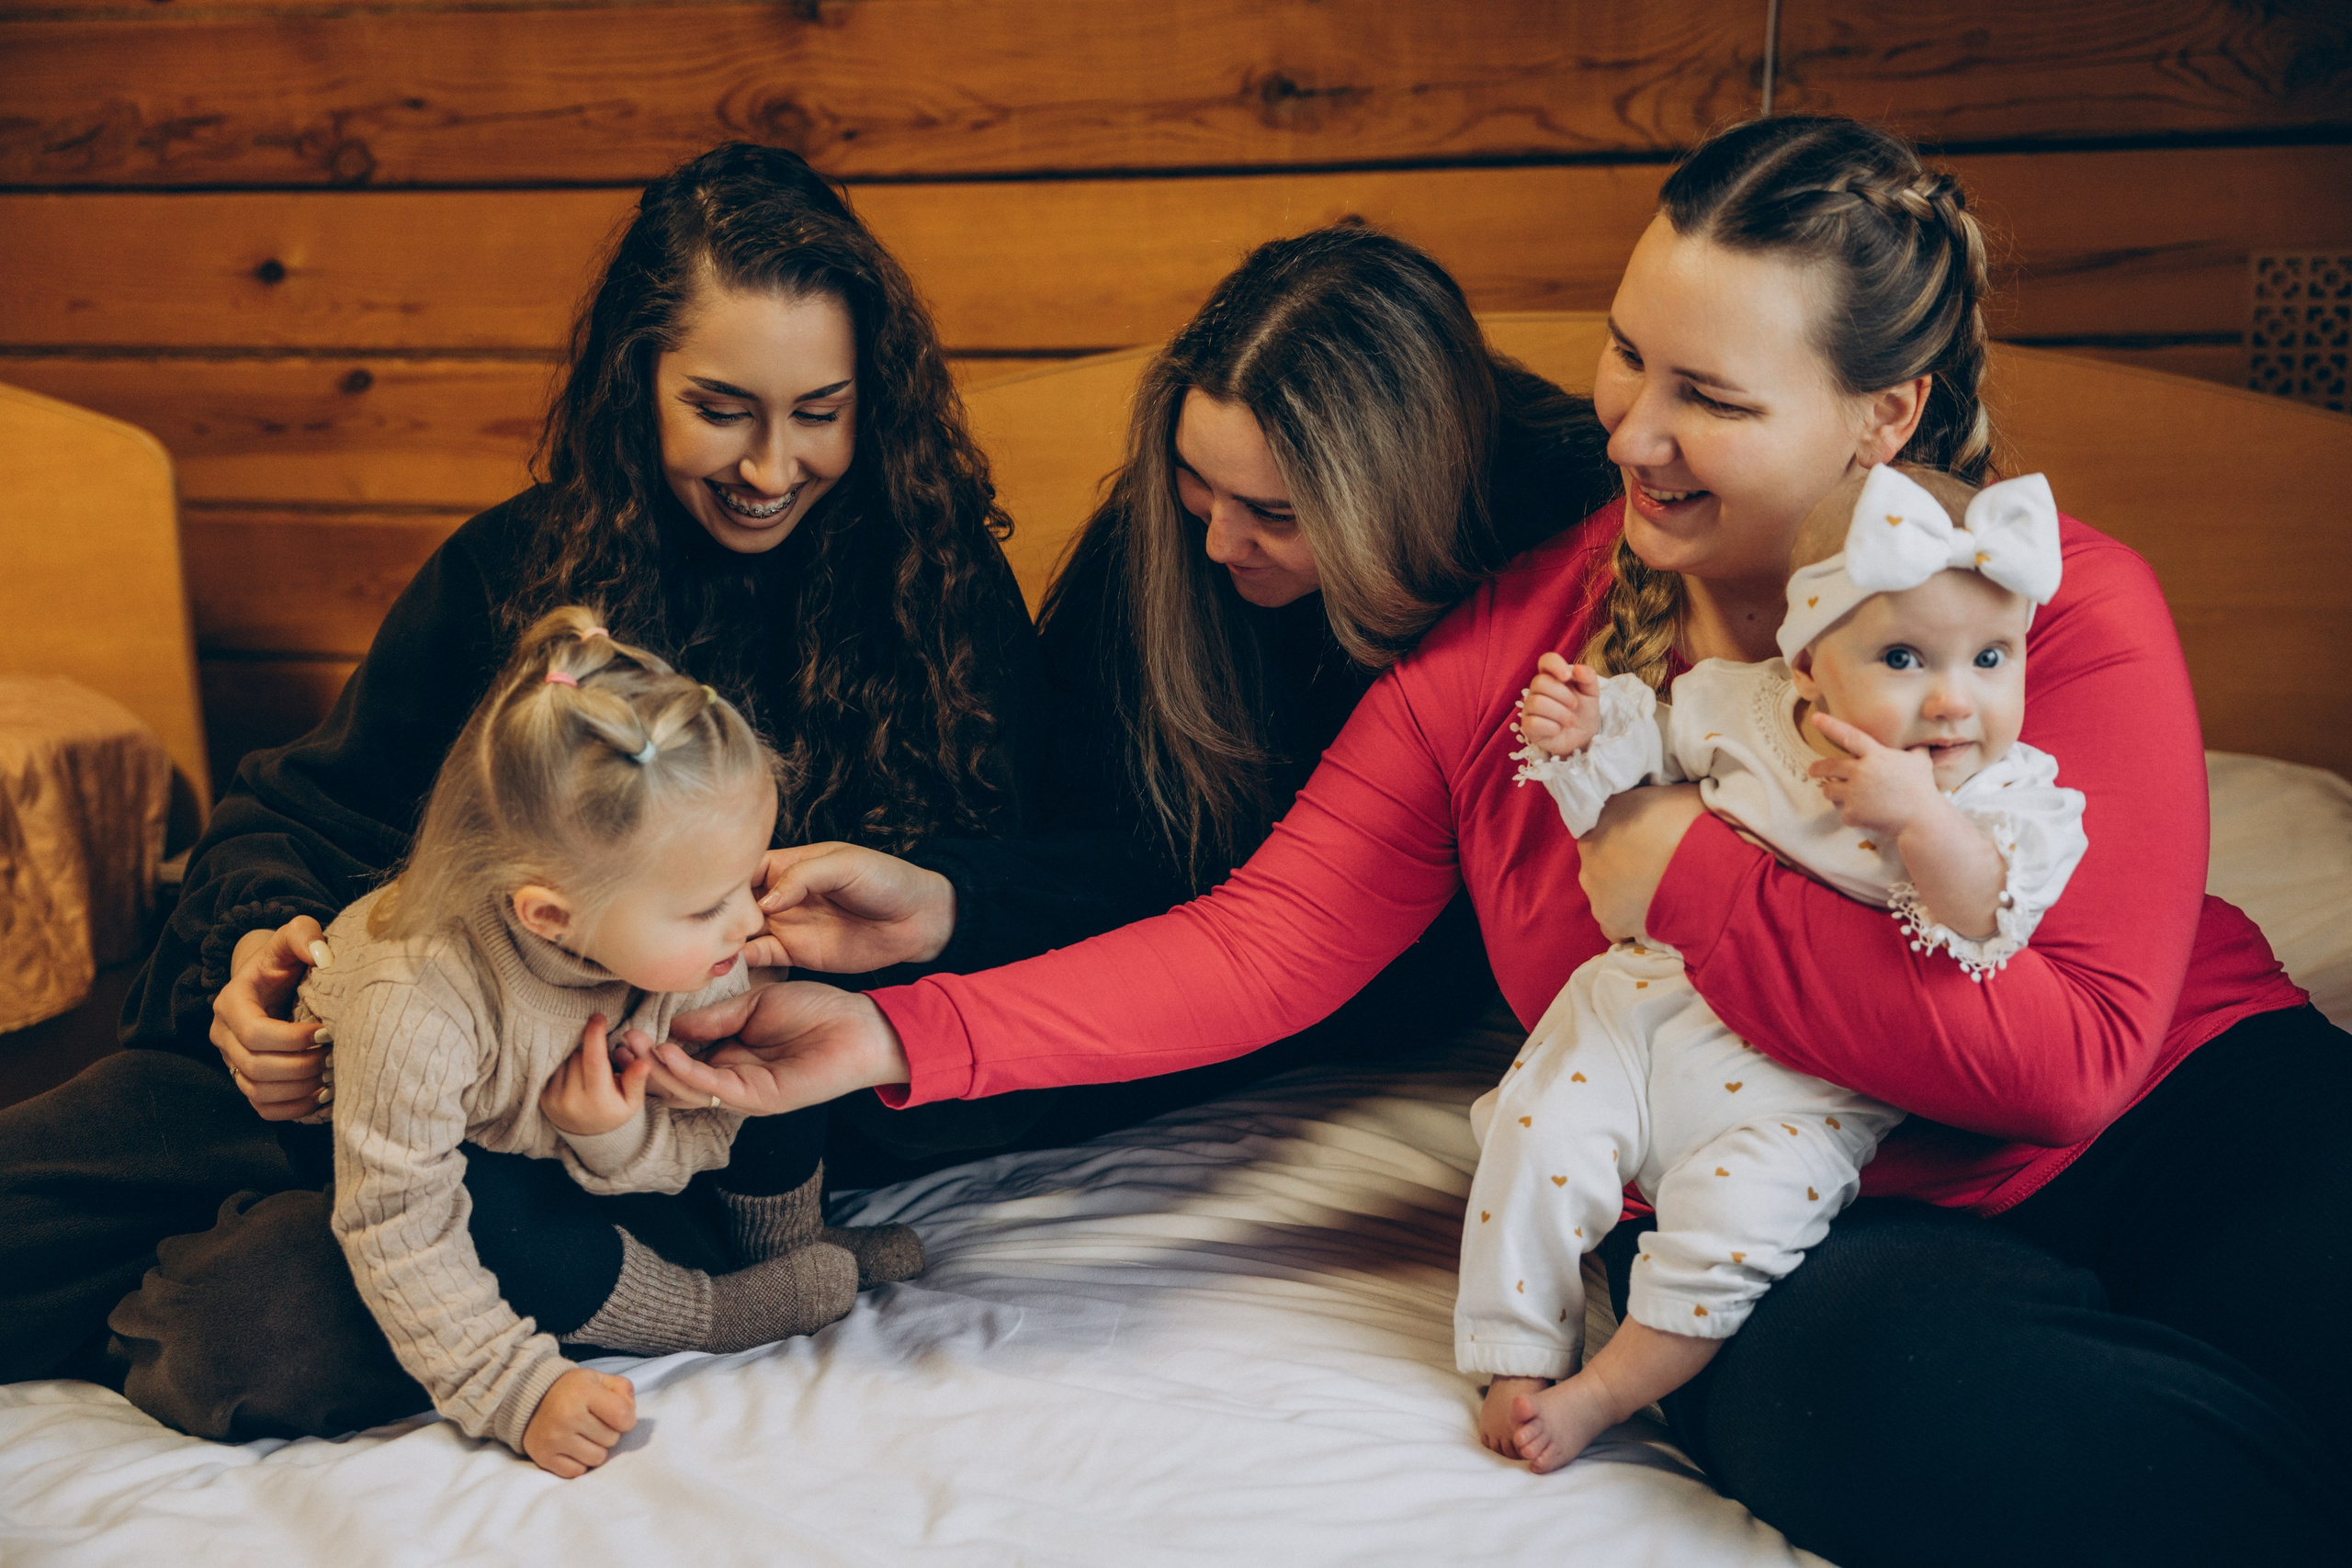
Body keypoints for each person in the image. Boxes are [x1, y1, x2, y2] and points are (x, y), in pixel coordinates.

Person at [649, 117, 2339, 1566]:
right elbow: (1257, 943)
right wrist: (891, 1031)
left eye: (1707, 395)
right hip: (1810, 1225)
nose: (1627, 431)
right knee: (1899, 1417)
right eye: (1625, 356)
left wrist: (1686, 871)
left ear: (1881, 419)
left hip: (2185, 1108)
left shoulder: (2057, 609)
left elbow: (2070, 1066)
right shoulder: (1509, 663)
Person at [0, 141, 1038, 1439]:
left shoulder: (939, 600)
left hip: (654, 1146)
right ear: (638, 380)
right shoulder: (515, 568)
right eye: (722, 409)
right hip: (398, 1055)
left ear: (871, 398)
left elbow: (1042, 906)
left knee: (255, 1325)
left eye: (818, 413)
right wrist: (255, 962)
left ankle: (178, 1298)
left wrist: (906, 929)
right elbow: (297, 816)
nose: (771, 466)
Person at [743, 220, 1616, 1170]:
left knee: (919, 1103)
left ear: (1401, 497)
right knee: (875, 1013)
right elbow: (1112, 853)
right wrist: (952, 901)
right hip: (1182, 917)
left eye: (1275, 515)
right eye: (1195, 482)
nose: (1217, 544)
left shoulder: (1561, 558)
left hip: (1380, 973)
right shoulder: (1161, 551)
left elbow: (1278, 947)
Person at [1466, 463, 2086, 1471]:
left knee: (1737, 1229)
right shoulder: (1735, 706)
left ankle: (1603, 1392)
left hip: (1813, 1081)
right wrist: (1590, 729)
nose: (1954, 701)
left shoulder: (2002, 798)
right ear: (1807, 667)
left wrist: (1921, 820)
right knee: (1535, 1132)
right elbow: (1651, 740)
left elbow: (1987, 910)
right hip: (1647, 1007)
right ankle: (1517, 1350)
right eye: (1902, 656)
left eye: (1990, 657)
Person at [300, 608, 922, 1477]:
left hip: (605, 1148)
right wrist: (511, 1387)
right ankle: (714, 1310)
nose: (750, 920)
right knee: (498, 1222)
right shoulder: (415, 1004)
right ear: (552, 914)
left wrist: (613, 1138)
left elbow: (715, 1122)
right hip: (474, 1157)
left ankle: (786, 1249)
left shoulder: (702, 946)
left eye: (747, 879)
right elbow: (395, 1221)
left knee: (786, 1038)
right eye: (709, 906)